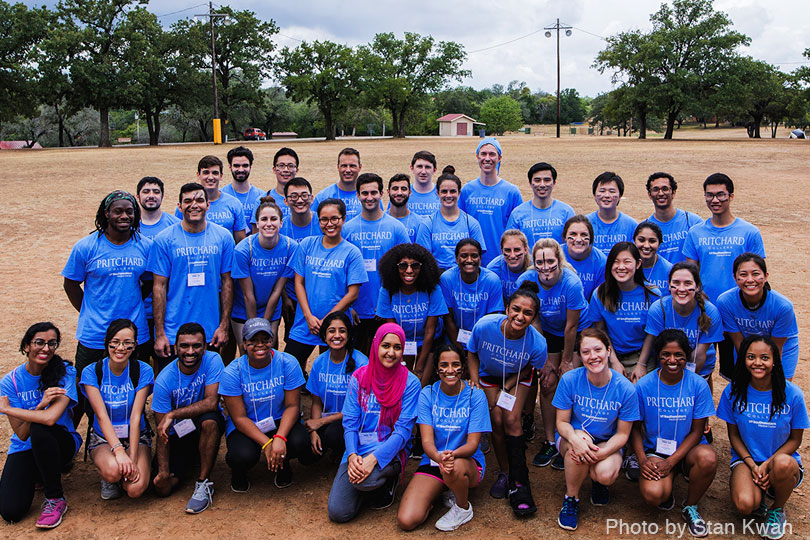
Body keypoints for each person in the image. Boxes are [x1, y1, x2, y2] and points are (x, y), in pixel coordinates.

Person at [62, 190, 152, 428]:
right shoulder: (86, 246)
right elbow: (70, 283)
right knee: (83, 390)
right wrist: (89, 310)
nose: (124, 216)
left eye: (129, 211)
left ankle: (132, 435)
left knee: (132, 387)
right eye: (118, 211)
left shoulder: (145, 245)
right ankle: (67, 442)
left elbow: (151, 281)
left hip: (135, 334)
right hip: (94, 334)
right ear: (106, 214)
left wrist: (133, 301)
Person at [327, 323, 422, 523]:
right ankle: (365, 484)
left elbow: (403, 432)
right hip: (358, 449)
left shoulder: (411, 383)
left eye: (397, 347)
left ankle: (387, 480)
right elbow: (350, 423)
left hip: (391, 450)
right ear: (376, 345)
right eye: (386, 345)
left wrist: (373, 460)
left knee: (367, 481)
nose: (391, 352)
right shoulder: (359, 377)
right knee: (338, 513)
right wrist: (353, 455)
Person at [467, 282, 547, 515]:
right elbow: (471, 353)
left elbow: (532, 368)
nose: (520, 316)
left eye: (528, 313)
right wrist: (477, 385)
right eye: (516, 309)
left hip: (516, 376)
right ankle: (505, 473)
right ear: (507, 308)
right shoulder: (485, 325)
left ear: (534, 317)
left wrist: (510, 384)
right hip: (488, 376)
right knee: (497, 421)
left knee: (512, 419)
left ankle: (519, 480)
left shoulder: (537, 343)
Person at [717, 335, 808, 540]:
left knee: (783, 464)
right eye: (751, 357)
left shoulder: (792, 393)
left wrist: (767, 463)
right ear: (744, 360)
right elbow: (733, 435)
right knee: (745, 505)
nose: (758, 362)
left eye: (764, 357)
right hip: (747, 460)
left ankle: (777, 508)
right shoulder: (733, 391)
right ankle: (758, 495)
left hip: (780, 460)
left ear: (774, 360)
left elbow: (795, 440)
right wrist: (751, 464)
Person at [631, 330, 717, 538]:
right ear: (657, 355)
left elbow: (698, 431)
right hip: (656, 450)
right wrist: (642, 460)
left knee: (708, 459)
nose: (672, 360)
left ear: (687, 356)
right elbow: (635, 428)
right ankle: (667, 484)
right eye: (665, 354)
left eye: (678, 354)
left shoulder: (697, 384)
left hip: (688, 450)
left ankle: (690, 506)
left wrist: (672, 461)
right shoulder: (644, 385)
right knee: (654, 496)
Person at [397, 344, 491, 531]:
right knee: (406, 520)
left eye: (455, 364)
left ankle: (463, 507)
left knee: (453, 467)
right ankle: (440, 492)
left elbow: (473, 444)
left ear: (463, 367)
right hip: (434, 459)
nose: (450, 370)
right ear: (437, 367)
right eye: (444, 365)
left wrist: (450, 456)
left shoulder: (475, 395)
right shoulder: (428, 394)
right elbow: (426, 442)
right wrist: (439, 457)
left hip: (466, 462)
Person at [554, 328, 641, 531]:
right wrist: (576, 441)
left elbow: (622, 434)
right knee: (580, 446)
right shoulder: (570, 380)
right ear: (580, 355)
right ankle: (572, 498)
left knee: (605, 474)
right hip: (573, 437)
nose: (593, 356)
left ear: (608, 351)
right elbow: (562, 422)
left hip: (606, 441)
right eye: (585, 352)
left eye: (598, 349)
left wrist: (601, 453)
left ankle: (598, 483)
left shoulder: (626, 388)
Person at [0, 323, 81, 529]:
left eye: (51, 344)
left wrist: (8, 410)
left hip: (61, 442)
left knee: (40, 427)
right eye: (39, 343)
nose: (46, 348)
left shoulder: (66, 373)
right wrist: (40, 405)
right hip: (25, 446)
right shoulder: (10, 382)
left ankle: (55, 499)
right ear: (26, 346)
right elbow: (21, 433)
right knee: (11, 511)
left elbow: (51, 419)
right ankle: (39, 473)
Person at [219, 318, 316, 491]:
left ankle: (282, 464)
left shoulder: (288, 363)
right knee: (242, 455)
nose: (260, 345)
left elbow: (293, 406)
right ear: (243, 343)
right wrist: (267, 443)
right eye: (253, 341)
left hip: (279, 418)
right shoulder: (232, 372)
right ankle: (239, 472)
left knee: (300, 441)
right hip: (247, 424)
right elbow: (239, 417)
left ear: (272, 341)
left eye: (265, 340)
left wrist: (279, 438)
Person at [516, 239, 588, 468]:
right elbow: (533, 319)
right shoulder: (526, 280)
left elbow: (571, 327)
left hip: (574, 332)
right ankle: (550, 440)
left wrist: (566, 361)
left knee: (569, 379)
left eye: (550, 261)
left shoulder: (571, 282)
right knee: (547, 382)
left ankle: (573, 434)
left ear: (559, 260)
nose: (545, 267)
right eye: (539, 262)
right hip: (546, 333)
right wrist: (546, 361)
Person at [148, 183, 235, 370]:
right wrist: (160, 333)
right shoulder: (164, 239)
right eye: (187, 201)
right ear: (179, 206)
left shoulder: (223, 237)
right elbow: (159, 287)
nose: (194, 205)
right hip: (173, 331)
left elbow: (228, 282)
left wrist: (223, 325)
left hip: (210, 330)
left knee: (208, 388)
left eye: (199, 200)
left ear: (208, 204)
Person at [286, 198, 368, 373]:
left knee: (336, 372)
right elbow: (298, 282)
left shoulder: (352, 252)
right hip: (305, 322)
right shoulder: (307, 245)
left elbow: (352, 294)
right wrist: (308, 316)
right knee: (289, 368)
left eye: (334, 219)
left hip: (336, 326)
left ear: (343, 219)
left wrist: (327, 321)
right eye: (324, 219)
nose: (329, 224)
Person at [151, 323, 225, 514]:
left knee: (211, 420)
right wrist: (163, 470)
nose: (190, 351)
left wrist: (173, 414)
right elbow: (162, 431)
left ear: (205, 347)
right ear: (176, 348)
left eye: (196, 346)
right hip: (179, 434)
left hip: (202, 422)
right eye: (184, 346)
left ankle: (203, 482)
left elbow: (211, 403)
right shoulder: (164, 380)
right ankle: (188, 463)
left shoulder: (213, 360)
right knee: (161, 488)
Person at [80, 319, 155, 501]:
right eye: (115, 342)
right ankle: (111, 477)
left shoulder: (143, 370)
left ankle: (126, 472)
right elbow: (101, 415)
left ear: (135, 345)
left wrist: (133, 457)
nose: (120, 348)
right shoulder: (92, 372)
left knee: (135, 489)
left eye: (127, 343)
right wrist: (120, 452)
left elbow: (136, 416)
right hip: (104, 437)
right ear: (107, 343)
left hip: (136, 435)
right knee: (114, 471)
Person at [342, 173, 410, 352]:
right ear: (357, 195)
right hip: (356, 310)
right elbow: (341, 271)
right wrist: (348, 307)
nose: (369, 197)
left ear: (382, 194)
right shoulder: (347, 229)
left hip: (387, 309)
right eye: (364, 193)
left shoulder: (396, 228)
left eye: (374, 192)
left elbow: (407, 269)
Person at [633, 262, 724, 384]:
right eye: (676, 283)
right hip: (666, 364)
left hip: (700, 366)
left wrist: (687, 381)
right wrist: (641, 365)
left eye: (688, 283)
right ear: (669, 286)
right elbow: (651, 339)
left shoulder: (710, 312)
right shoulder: (659, 309)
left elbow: (700, 354)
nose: (681, 289)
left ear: (697, 286)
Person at [683, 172, 766, 304]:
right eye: (710, 195)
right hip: (706, 304)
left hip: (739, 305)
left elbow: (758, 273)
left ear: (731, 196)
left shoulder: (750, 232)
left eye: (720, 195)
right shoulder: (695, 233)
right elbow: (689, 274)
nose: (715, 200)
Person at [717, 253, 799, 380]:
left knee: (779, 390)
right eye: (743, 275)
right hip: (746, 348)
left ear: (766, 277)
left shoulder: (783, 306)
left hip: (781, 349)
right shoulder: (725, 302)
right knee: (746, 388)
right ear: (734, 277)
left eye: (755, 274)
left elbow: (776, 347)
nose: (750, 280)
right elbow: (739, 343)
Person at [377, 243, 447, 385]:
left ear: (423, 267)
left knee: (421, 383)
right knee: (403, 382)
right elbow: (392, 330)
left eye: (415, 265)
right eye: (403, 266)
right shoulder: (387, 290)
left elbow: (430, 331)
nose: (409, 270)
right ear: (394, 267)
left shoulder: (432, 289)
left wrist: (420, 366)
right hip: (402, 342)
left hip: (430, 343)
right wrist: (401, 359)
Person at [232, 199, 297, 352]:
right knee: (247, 350)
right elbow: (248, 295)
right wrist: (254, 328)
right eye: (264, 219)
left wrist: (264, 326)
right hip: (243, 308)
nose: (269, 223)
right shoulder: (243, 250)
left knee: (269, 347)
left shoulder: (290, 247)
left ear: (281, 223)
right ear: (257, 223)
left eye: (274, 219)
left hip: (271, 306)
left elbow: (277, 290)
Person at [589, 242, 660, 377]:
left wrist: (641, 364)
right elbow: (600, 330)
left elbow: (652, 333)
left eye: (627, 262)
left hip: (642, 355)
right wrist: (613, 361)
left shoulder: (652, 294)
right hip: (611, 354)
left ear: (638, 264)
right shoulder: (600, 294)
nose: (621, 267)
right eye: (616, 262)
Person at [305, 312, 369, 461]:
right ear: (324, 335)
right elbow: (316, 401)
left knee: (333, 435)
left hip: (354, 421)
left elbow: (360, 407)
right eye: (332, 331)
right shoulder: (319, 362)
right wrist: (314, 430)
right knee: (306, 452)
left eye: (342, 330)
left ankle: (344, 452)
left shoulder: (361, 363)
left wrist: (320, 422)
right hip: (327, 419)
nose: (337, 335)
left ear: (349, 334)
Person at [459, 137, 522, 266]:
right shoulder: (467, 190)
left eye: (492, 154)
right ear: (477, 156)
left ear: (499, 158)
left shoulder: (511, 192)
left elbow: (518, 232)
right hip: (472, 261)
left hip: (502, 260)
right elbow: (460, 225)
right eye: (483, 154)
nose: (487, 158)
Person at [137, 177, 180, 360]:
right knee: (142, 360)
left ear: (163, 196)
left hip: (169, 306)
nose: (151, 196)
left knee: (166, 358)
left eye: (156, 192)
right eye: (146, 191)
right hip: (139, 307)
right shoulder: (130, 226)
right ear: (137, 196)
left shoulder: (173, 224)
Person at [440, 239, 504, 352]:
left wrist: (475, 350)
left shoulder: (492, 280)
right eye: (464, 256)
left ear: (480, 259)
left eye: (474, 256)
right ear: (456, 258)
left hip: (483, 340)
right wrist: (460, 351)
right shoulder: (447, 279)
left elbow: (491, 321)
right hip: (453, 340)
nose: (469, 260)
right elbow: (448, 319)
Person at [175, 155, 246, 243]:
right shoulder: (186, 206)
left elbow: (240, 241)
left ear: (221, 176)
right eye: (206, 172)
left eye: (215, 173)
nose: (210, 177)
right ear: (198, 175)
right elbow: (177, 235)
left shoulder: (234, 204)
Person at [426, 167, 487, 270]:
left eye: (453, 191)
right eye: (444, 191)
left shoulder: (471, 223)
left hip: (464, 276)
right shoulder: (428, 223)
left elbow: (478, 259)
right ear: (437, 193)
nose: (448, 195)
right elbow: (424, 259)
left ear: (459, 193)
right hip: (436, 278)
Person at [506, 162, 575, 246]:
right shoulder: (517, 213)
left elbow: (572, 244)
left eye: (547, 180)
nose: (542, 185)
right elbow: (510, 243)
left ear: (554, 183)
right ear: (530, 184)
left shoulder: (566, 212)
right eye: (537, 180)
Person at [645, 172, 701, 263]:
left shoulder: (693, 222)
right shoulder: (645, 227)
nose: (660, 193)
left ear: (673, 192)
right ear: (649, 194)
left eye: (665, 189)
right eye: (655, 189)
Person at [587, 172, 638, 256]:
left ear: (620, 196)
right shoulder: (586, 223)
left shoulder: (631, 225)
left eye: (612, 191)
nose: (607, 195)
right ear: (594, 195)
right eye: (602, 191)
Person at [562, 215, 607, 308]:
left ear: (590, 238)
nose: (578, 239)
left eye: (584, 235)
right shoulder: (555, 255)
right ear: (565, 237)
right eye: (573, 234)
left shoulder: (601, 262)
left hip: (587, 314)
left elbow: (599, 300)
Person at [312, 147, 365, 221]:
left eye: (352, 166)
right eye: (344, 166)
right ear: (338, 167)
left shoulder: (369, 197)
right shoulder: (323, 197)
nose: (348, 170)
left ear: (360, 167)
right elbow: (313, 224)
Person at [222, 146, 265, 228]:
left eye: (245, 166)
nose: (241, 170)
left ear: (250, 166)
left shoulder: (261, 196)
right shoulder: (221, 195)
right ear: (230, 167)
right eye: (236, 166)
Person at [486, 229, 532, 303]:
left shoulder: (535, 268)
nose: (512, 255)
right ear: (502, 251)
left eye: (517, 250)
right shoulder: (493, 269)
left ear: (525, 250)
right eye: (507, 250)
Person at [387, 173, 430, 246]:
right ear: (388, 192)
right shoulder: (381, 220)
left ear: (410, 192)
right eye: (395, 189)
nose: (399, 193)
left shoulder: (420, 223)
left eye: (403, 189)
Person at [634, 221, 673, 296]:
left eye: (652, 241)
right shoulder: (626, 268)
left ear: (659, 244)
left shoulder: (669, 270)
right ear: (634, 241)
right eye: (641, 240)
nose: (646, 245)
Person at [280, 177, 318, 241]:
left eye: (304, 195)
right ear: (286, 201)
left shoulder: (323, 223)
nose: (300, 200)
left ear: (311, 199)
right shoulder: (280, 228)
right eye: (294, 196)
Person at [408, 150, 441, 217]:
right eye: (419, 166)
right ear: (412, 169)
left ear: (434, 170)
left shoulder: (443, 194)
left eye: (427, 167)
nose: (423, 171)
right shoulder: (402, 194)